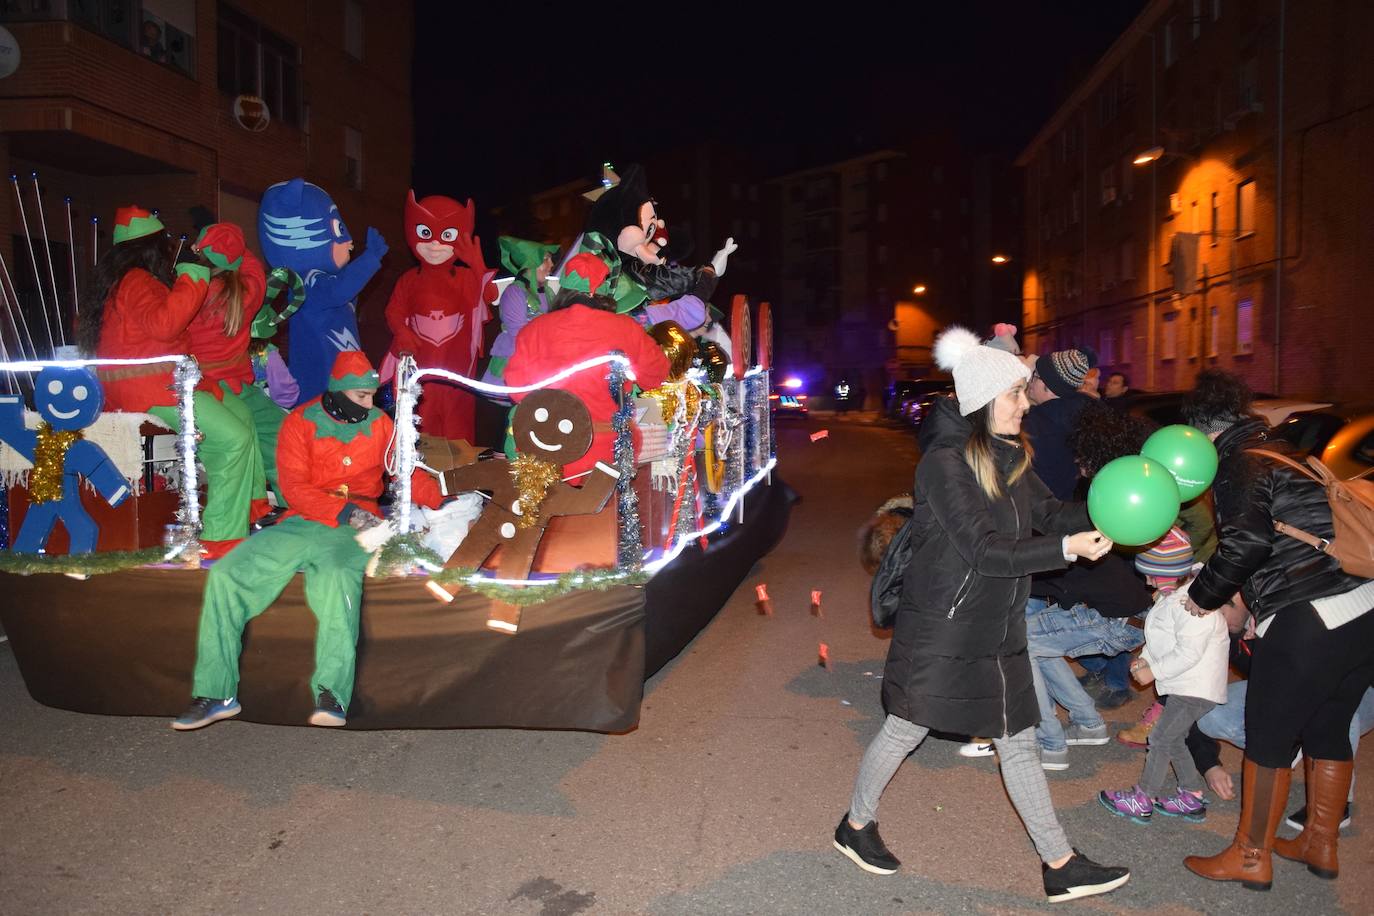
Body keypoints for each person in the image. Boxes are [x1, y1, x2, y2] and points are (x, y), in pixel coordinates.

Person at [833, 326, 1130, 904]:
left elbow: (1051, 512)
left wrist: (1109, 511)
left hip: (998, 625)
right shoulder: (944, 465)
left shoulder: (1013, 455)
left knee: (1017, 738)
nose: (1026, 404)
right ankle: (856, 825)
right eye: (1016, 394)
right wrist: (1066, 552)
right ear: (983, 400)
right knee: (906, 728)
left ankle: (1059, 863)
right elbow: (984, 551)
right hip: (945, 626)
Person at [171, 351, 445, 731]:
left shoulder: (382, 424)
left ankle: (332, 694)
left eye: (371, 395)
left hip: (356, 526)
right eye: (360, 396)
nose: (368, 403)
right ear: (338, 392)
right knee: (227, 574)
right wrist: (344, 511)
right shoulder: (300, 422)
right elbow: (294, 488)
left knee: (334, 577)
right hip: (303, 519)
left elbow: (406, 473)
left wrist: (447, 497)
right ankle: (216, 693)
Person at [1181, 370, 1374, 890]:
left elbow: (1246, 545)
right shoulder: (1289, 452)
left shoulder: (1237, 464)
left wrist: (1202, 599)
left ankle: (1249, 856)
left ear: (1204, 436)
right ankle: (1319, 842)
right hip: (1363, 607)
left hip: (1310, 613)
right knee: (1328, 727)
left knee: (1268, 735)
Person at [83, 206, 263, 554]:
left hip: (158, 383)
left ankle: (253, 507)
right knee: (233, 440)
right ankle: (221, 537)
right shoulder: (137, 280)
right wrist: (193, 277)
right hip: (152, 387)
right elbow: (166, 324)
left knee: (241, 413)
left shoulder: (125, 281)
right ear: (152, 247)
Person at [1099, 566, 1230, 825]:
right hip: (1186, 685)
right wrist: (1144, 660)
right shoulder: (1169, 597)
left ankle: (1143, 797)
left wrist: (1154, 671)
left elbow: (1189, 653)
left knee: (1159, 738)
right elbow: (1161, 639)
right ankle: (1191, 794)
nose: (1146, 578)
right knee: (1173, 739)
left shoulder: (1193, 603)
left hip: (1196, 686)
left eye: (1152, 572)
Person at [183, 222, 285, 516]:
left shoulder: (192, 293)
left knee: (238, 441)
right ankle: (296, 504)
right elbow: (254, 270)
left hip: (205, 392)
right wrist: (237, 250)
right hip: (239, 389)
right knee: (280, 437)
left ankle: (250, 506)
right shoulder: (246, 293)